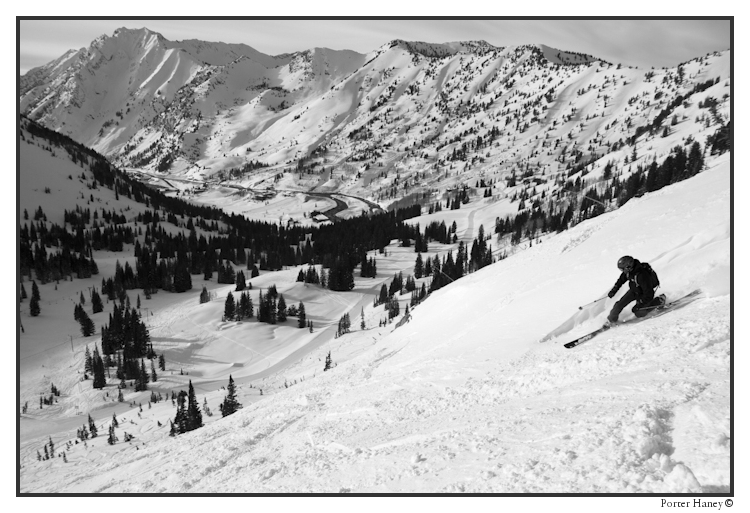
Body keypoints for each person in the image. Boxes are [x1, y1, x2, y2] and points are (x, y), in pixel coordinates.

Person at [606, 255, 665, 326]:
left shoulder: (642, 275)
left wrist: (640, 302)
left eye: (622, 269)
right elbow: (620, 281)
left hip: (644, 294)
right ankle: (611, 321)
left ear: (628, 266)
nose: (622, 271)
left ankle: (659, 301)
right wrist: (613, 291)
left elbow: (649, 293)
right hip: (634, 291)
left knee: (638, 312)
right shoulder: (628, 272)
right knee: (618, 305)